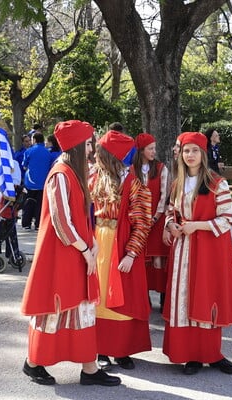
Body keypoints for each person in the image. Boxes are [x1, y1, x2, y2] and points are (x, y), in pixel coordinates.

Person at [21, 120, 121, 387]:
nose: (92, 148)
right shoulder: (61, 174)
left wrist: (91, 244)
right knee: (54, 309)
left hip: (75, 251)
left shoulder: (74, 173)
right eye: (88, 143)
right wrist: (87, 249)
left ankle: (89, 368)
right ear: (77, 146)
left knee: (82, 307)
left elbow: (78, 217)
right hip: (60, 255)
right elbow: (61, 222)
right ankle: (33, 363)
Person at [162, 131, 232, 375]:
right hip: (183, 252)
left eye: (195, 150)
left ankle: (212, 354)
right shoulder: (177, 183)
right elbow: (170, 211)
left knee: (207, 300)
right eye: (186, 151)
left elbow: (227, 220)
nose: (190, 155)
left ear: (203, 154)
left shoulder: (217, 183)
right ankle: (191, 356)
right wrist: (170, 225)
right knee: (184, 301)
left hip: (208, 252)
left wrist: (196, 226)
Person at [89, 130, 153, 371]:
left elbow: (142, 222)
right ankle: (101, 348)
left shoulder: (134, 183)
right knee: (100, 298)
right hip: (98, 243)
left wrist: (131, 253)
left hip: (122, 245)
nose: (96, 156)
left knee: (123, 297)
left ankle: (122, 349)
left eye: (100, 153)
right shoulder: (94, 179)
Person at [132, 133, 170, 312]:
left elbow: (164, 195)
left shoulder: (162, 168)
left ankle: (164, 300)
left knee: (160, 259)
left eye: (155, 148)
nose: (154, 151)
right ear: (141, 150)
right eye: (150, 148)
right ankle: (143, 299)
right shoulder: (132, 170)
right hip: (139, 222)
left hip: (157, 220)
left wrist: (155, 217)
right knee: (142, 260)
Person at [21, 132, 52, 230]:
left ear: (34, 140)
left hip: (30, 181)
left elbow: (24, 165)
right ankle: (38, 223)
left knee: (28, 203)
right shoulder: (48, 152)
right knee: (40, 204)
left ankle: (26, 223)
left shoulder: (29, 151)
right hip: (43, 182)